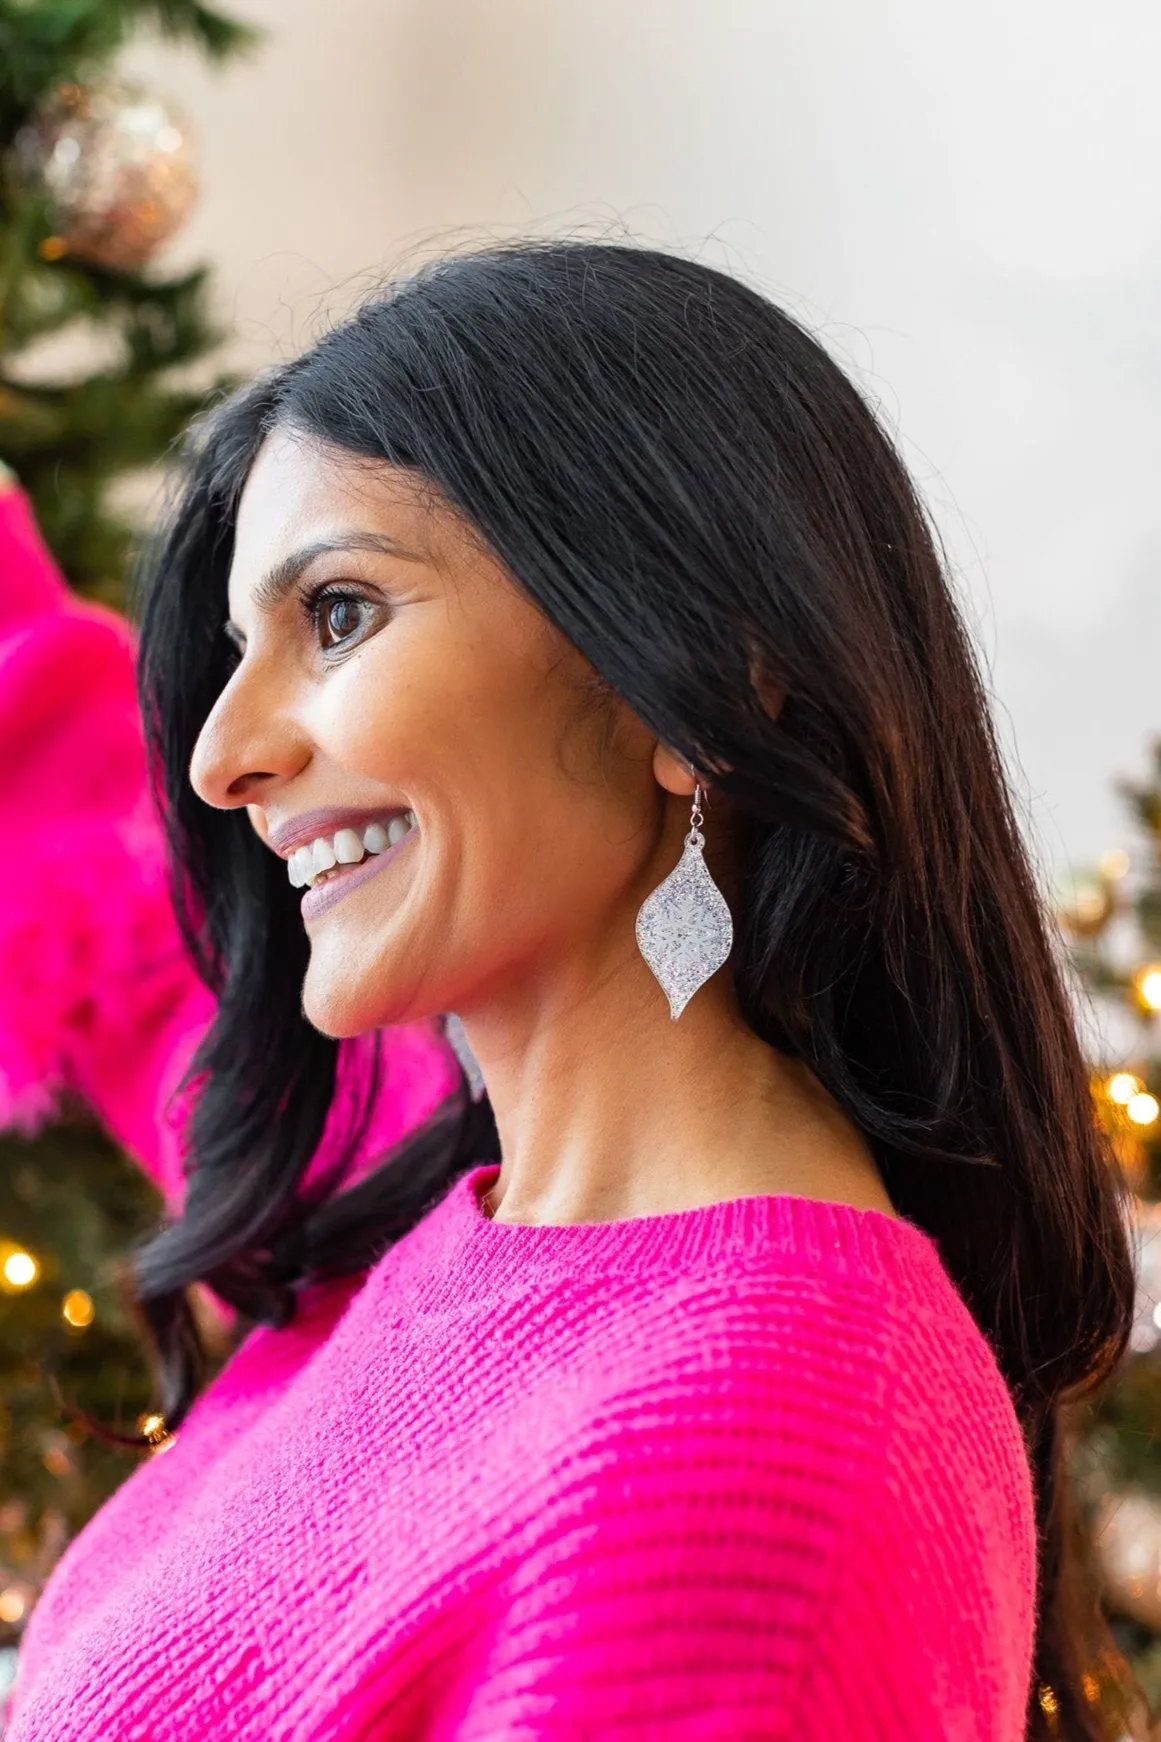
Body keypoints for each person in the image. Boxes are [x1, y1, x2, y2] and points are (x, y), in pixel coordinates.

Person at [2, 241, 1140, 1741]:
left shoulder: (766, 1443)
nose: (222, 758)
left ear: (699, 688)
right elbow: (150, 960)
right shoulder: (434, 1229)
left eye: (338, 613)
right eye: (235, 649)